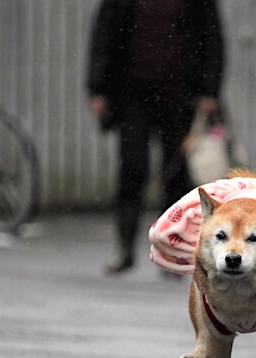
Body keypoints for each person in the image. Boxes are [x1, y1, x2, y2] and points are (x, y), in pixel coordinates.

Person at [86, 0, 225, 274]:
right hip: (131, 93)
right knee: (132, 166)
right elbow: (104, 34)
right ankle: (124, 248)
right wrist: (97, 87)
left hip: (180, 94)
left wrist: (210, 90)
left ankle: (172, 253)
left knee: (175, 175)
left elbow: (211, 36)